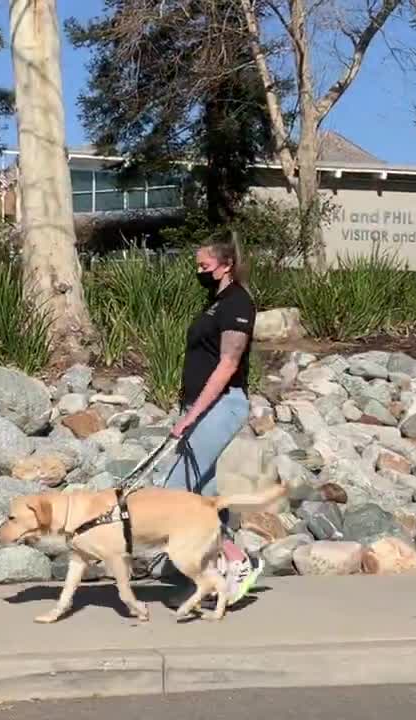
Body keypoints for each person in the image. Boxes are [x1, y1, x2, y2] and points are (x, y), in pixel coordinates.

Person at [156, 234, 263, 608]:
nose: (198, 272)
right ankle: (218, 571)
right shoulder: (217, 302)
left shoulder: (238, 303)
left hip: (221, 405)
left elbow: (229, 365)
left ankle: (238, 560)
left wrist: (192, 415)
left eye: (205, 266)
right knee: (203, 493)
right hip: (203, 407)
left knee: (177, 494)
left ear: (226, 264)